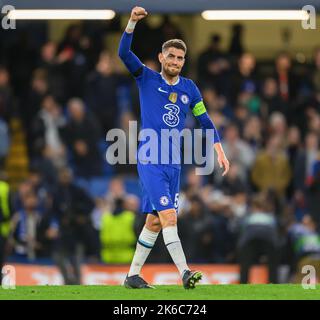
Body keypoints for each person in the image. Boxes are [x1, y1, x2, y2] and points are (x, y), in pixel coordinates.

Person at [118, 7, 229, 289]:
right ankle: (185, 273)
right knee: (170, 217)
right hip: (151, 157)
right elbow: (123, 54)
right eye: (171, 56)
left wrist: (218, 148)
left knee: (155, 222)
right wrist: (132, 22)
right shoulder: (146, 77)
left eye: (180, 58)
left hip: (173, 163)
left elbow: (204, 119)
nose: (176, 61)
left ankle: (132, 275)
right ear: (161, 58)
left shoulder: (190, 89)